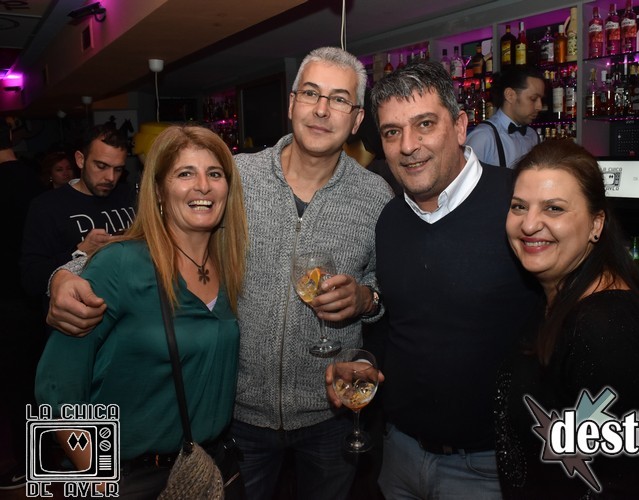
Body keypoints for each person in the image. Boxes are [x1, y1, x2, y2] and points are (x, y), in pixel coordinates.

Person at [46, 47, 393, 500]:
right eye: (311, 93)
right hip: (235, 419)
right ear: (292, 104)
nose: (322, 109)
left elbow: (389, 285)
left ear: (357, 118)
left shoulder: (376, 196)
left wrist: (366, 299)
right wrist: (64, 275)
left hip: (331, 417)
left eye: (339, 99)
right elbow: (146, 237)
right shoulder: (234, 177)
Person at [351, 61, 639, 499]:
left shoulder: (521, 205)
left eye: (425, 124)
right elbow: (397, 318)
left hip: (490, 467)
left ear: (460, 127)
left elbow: (608, 281)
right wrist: (367, 360)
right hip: (400, 454)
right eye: (392, 132)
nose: (408, 145)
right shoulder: (390, 219)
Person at [36, 125, 248, 497]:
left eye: (214, 174)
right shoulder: (121, 265)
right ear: (160, 191)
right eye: (186, 173)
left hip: (213, 468)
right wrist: (102, 480)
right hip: (135, 477)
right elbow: (56, 390)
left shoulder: (232, 267)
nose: (203, 186)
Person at [496, 139, 639, 498]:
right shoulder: (556, 291)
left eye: (554, 208)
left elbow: (618, 484)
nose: (529, 224)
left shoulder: (603, 327)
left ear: (596, 224)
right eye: (519, 206)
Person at [20, 123, 135, 300]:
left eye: (118, 169)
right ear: (81, 160)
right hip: (80, 312)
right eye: (101, 166)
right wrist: (80, 252)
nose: (111, 177)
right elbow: (31, 279)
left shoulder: (129, 195)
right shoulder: (47, 206)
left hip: (131, 307)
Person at [0, 120, 43, 490]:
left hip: (10, 300)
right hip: (40, 296)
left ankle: (29, 465)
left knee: (18, 385)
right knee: (42, 380)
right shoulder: (35, 180)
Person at [465, 67, 545, 168]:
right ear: (510, 95)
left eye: (541, 99)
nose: (539, 106)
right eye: (533, 99)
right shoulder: (483, 137)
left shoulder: (532, 135)